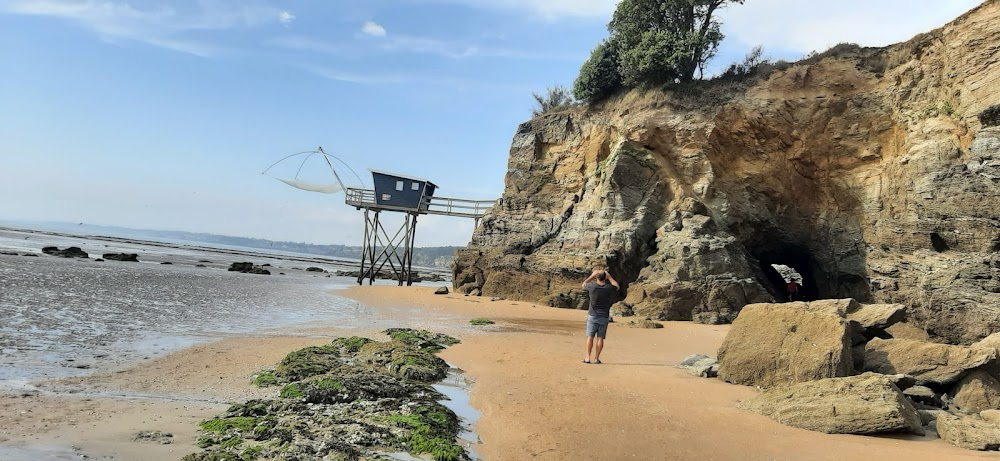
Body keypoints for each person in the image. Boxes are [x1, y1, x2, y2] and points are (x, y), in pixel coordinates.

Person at [581, 268, 619, 364]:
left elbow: (583, 285)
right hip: (604, 316)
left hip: (593, 315)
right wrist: (609, 277)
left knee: (590, 337)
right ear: (605, 278)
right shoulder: (608, 288)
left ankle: (587, 357)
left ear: (596, 277)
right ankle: (596, 358)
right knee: (600, 338)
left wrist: (592, 276)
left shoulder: (592, 287)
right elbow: (617, 286)